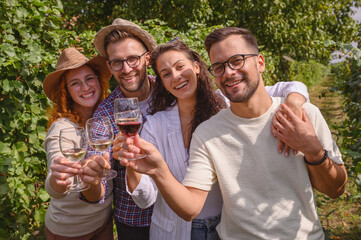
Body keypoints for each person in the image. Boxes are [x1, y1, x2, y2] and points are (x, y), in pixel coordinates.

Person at [115, 27, 348, 240]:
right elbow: (167, 202)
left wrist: (308, 140)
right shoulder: (203, 132)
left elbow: (336, 189)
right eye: (166, 74)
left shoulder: (233, 102)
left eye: (237, 61)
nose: (229, 72)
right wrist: (148, 168)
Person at [43, 47, 114, 240]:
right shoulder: (62, 128)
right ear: (65, 92)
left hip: (104, 221)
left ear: (99, 80)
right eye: (75, 83)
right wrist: (57, 181)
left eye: (89, 78)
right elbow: (55, 184)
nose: (85, 87)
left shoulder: (106, 118)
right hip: (70, 230)